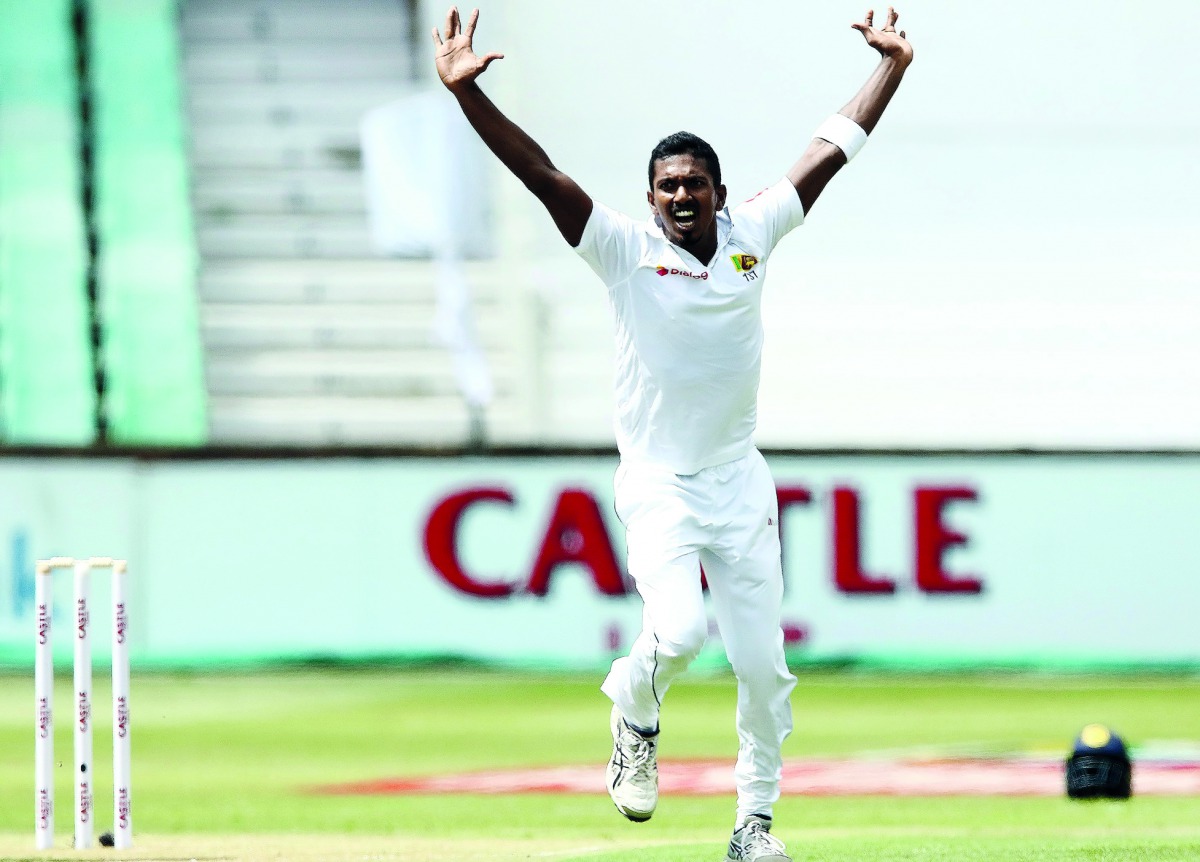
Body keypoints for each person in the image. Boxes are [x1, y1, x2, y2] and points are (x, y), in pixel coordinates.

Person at [432, 7, 913, 861]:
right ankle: (635, 714)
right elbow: (540, 174)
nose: (682, 196)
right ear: (650, 196)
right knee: (681, 633)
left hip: (738, 480)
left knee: (764, 670)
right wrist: (470, 95)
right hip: (658, 482)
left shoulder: (754, 232)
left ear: (720, 193)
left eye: (695, 184)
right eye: (667, 186)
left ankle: (753, 826)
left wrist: (892, 68)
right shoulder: (621, 249)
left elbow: (831, 149)